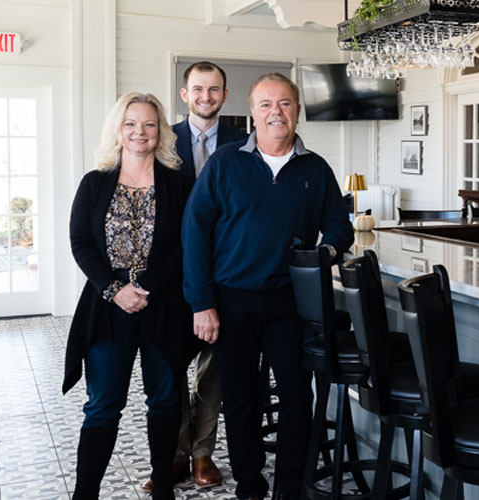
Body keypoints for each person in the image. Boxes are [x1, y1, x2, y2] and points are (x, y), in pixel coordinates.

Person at [182, 73, 353, 500]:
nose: (276, 112)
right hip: (231, 298)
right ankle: (250, 484)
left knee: (298, 395)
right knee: (240, 400)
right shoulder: (225, 163)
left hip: (291, 302)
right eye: (266, 104)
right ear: (252, 112)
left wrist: (326, 252)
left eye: (285, 104)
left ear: (297, 109)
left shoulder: (315, 168)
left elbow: (338, 225)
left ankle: (290, 487)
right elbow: (195, 233)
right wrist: (202, 303)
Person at [64, 92, 194, 500]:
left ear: (161, 132)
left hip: (164, 306)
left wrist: (148, 287)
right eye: (131, 124)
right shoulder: (95, 183)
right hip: (108, 307)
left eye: (150, 124)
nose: (140, 132)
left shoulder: (178, 183)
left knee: (165, 398)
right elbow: (81, 242)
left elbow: (187, 245)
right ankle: (85, 493)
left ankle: (162, 488)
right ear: (118, 130)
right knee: (103, 403)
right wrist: (116, 289)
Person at [141, 60, 248, 493]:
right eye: (198, 89)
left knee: (214, 369)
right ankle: (174, 454)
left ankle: (202, 452)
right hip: (172, 275)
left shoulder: (245, 143)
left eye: (214, 89)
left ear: (225, 94)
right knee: (169, 371)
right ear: (184, 94)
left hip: (226, 273)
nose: (206, 96)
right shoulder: (162, 142)